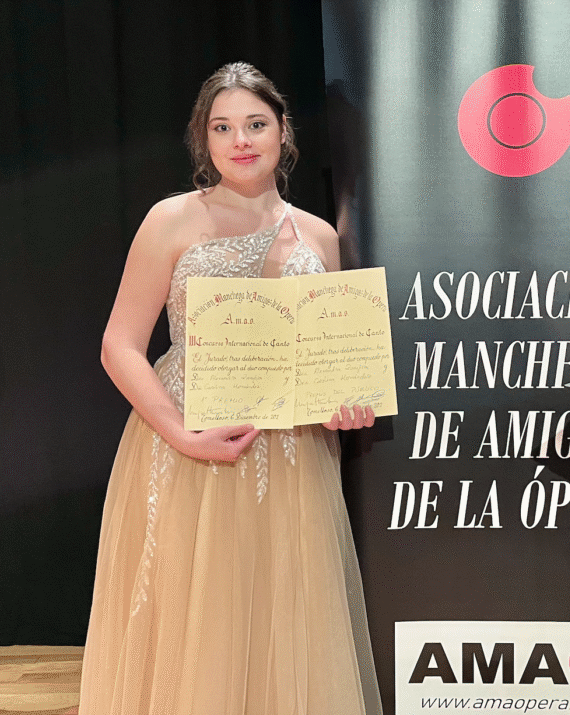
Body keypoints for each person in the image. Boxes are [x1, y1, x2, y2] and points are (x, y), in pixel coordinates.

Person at [77, 63, 382, 715]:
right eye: (222, 128)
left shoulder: (321, 236)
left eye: (255, 124)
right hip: (186, 447)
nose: (240, 140)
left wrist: (343, 404)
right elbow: (119, 345)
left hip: (293, 458)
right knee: (198, 621)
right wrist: (182, 434)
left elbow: (328, 358)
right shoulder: (170, 220)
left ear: (283, 132)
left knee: (283, 620)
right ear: (204, 139)